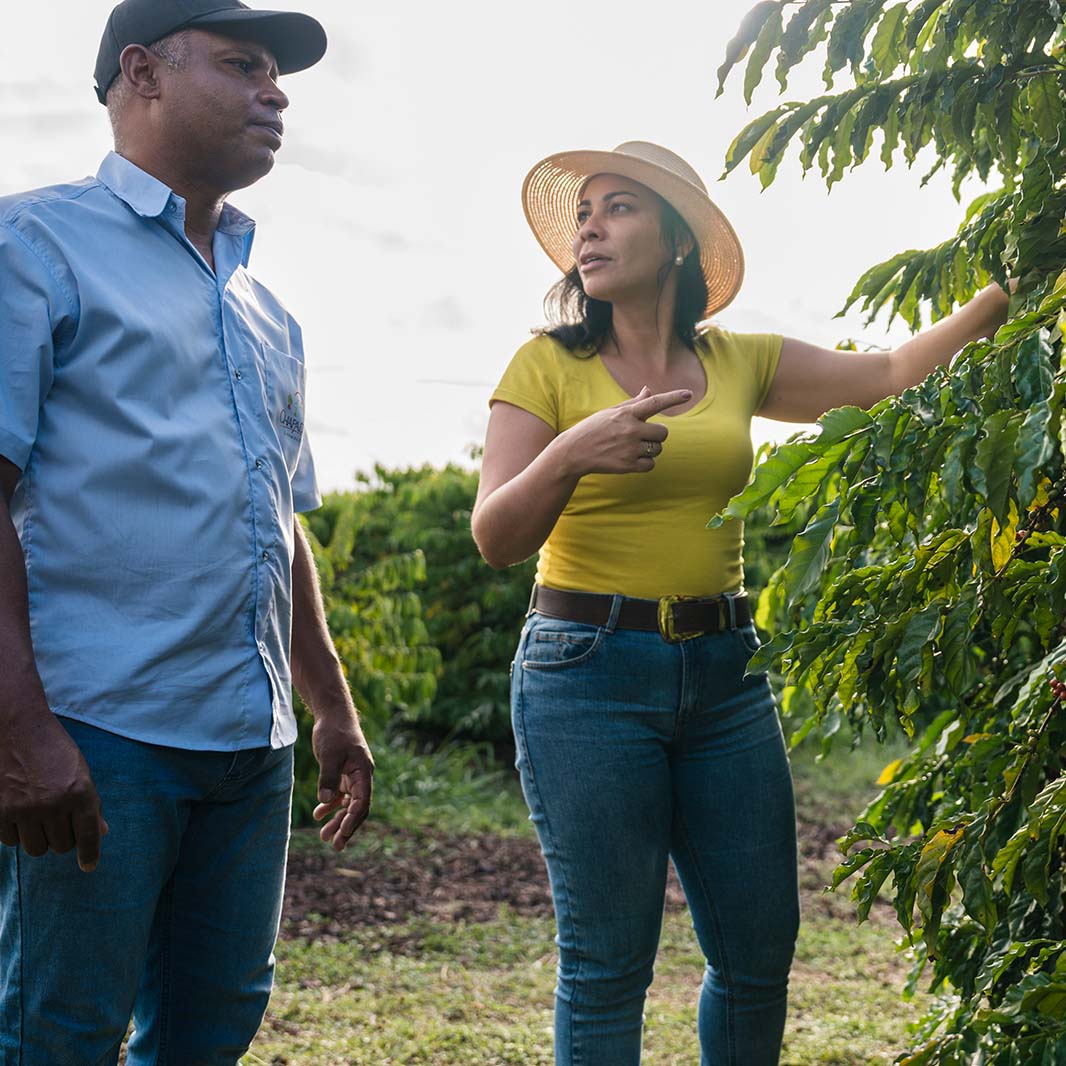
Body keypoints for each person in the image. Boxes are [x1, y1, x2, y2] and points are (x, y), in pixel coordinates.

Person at [471, 141, 1011, 1066]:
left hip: (726, 675)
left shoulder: (740, 361)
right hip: (585, 674)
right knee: (607, 966)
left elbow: (888, 375)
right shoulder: (546, 367)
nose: (589, 228)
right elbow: (495, 535)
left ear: (679, 241)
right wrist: (571, 455)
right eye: (583, 214)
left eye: (618, 208)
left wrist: (1006, 288)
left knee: (759, 954)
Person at [0, 2, 374, 1063]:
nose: (276, 92)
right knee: (60, 1032)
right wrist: (19, 727)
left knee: (214, 1027)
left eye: (275, 73)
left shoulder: (266, 310)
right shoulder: (31, 246)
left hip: (249, 747)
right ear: (143, 73)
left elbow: (279, 523)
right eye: (243, 64)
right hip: (97, 732)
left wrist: (331, 706)